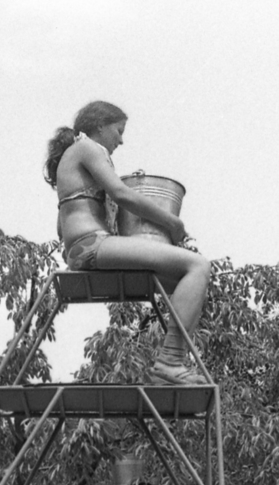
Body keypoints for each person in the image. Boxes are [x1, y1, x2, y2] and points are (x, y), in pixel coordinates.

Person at [45, 100, 213, 385]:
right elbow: (123, 194)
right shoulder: (86, 148)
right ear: (100, 125)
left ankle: (174, 358)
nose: (121, 140)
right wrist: (172, 223)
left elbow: (62, 225)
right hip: (93, 245)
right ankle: (169, 362)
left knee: (186, 283)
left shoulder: (73, 158)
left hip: (83, 246)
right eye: (118, 131)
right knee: (197, 265)